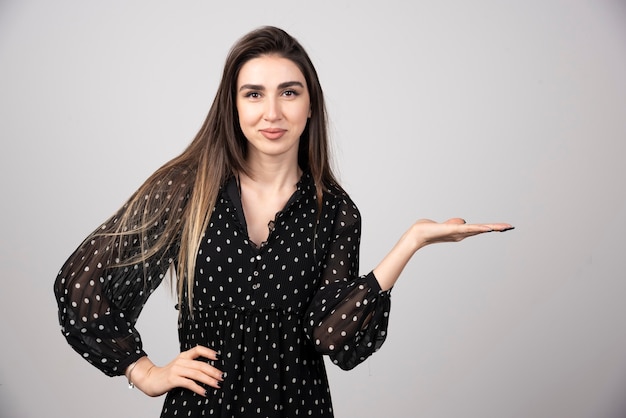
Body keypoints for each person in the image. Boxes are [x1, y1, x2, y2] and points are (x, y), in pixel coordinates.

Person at [54, 26, 513, 418]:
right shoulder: (183, 191)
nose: (271, 113)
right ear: (233, 106)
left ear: (310, 105)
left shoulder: (335, 211)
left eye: (288, 93)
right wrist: (144, 371)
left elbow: (333, 337)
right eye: (253, 94)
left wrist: (411, 242)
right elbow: (81, 283)